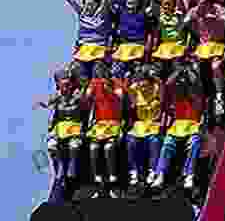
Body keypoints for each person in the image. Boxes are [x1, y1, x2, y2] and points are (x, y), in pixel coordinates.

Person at [153, 61, 204, 191]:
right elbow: (168, 84)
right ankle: (160, 174)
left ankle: (189, 175)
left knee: (194, 142)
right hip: (177, 126)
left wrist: (189, 70)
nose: (182, 84)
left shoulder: (196, 92)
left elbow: (196, 81)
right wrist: (179, 71)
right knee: (167, 143)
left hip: (193, 125)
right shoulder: (175, 94)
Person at [35, 65, 86, 187]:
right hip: (60, 128)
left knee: (74, 146)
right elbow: (49, 104)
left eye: (68, 84)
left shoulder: (77, 95)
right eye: (63, 85)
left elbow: (84, 105)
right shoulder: (57, 97)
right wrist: (42, 104)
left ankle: (72, 169)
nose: (66, 88)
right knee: (52, 146)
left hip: (75, 127)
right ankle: (59, 168)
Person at [184, 0, 225, 119]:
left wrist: (212, 16)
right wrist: (197, 17)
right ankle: (201, 100)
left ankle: (219, 97)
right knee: (194, 70)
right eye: (200, 3)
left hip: (218, 44)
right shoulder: (196, 11)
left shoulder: (218, 10)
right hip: (203, 46)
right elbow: (186, 22)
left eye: (204, 2)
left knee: (215, 67)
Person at [51, 0, 115, 75]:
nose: (88, 8)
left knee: (97, 69)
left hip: (99, 48)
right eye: (87, 5)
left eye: (91, 5)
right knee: (77, 69)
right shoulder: (82, 14)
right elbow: (70, 1)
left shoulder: (101, 15)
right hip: (84, 49)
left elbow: (105, 1)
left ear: (96, 6)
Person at [84, 61, 124, 194]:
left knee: (109, 147)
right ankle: (97, 178)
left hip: (114, 123)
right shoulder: (94, 83)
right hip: (100, 124)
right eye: (97, 70)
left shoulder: (115, 82)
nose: (100, 72)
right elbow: (87, 97)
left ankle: (112, 177)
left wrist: (109, 89)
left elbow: (120, 98)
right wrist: (89, 91)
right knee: (93, 147)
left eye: (102, 70)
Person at [126, 63, 164, 187]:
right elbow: (129, 88)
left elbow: (161, 84)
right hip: (140, 125)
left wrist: (152, 76)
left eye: (145, 84)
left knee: (154, 141)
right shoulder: (136, 91)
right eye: (140, 84)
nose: (142, 87)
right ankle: (133, 171)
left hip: (153, 124)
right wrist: (136, 78)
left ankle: (152, 171)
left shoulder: (157, 89)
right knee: (131, 141)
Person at [111, 0, 152, 73]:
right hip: (123, 45)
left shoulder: (143, 10)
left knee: (138, 71)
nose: (131, 0)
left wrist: (148, 44)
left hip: (139, 45)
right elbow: (111, 2)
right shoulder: (120, 9)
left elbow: (151, 30)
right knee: (116, 71)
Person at [151, 0, 189, 66]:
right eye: (164, 4)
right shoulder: (160, 16)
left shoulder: (179, 14)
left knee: (176, 65)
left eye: (168, 4)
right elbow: (157, 32)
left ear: (173, 5)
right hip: (164, 46)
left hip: (178, 46)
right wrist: (154, 45)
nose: (166, 6)